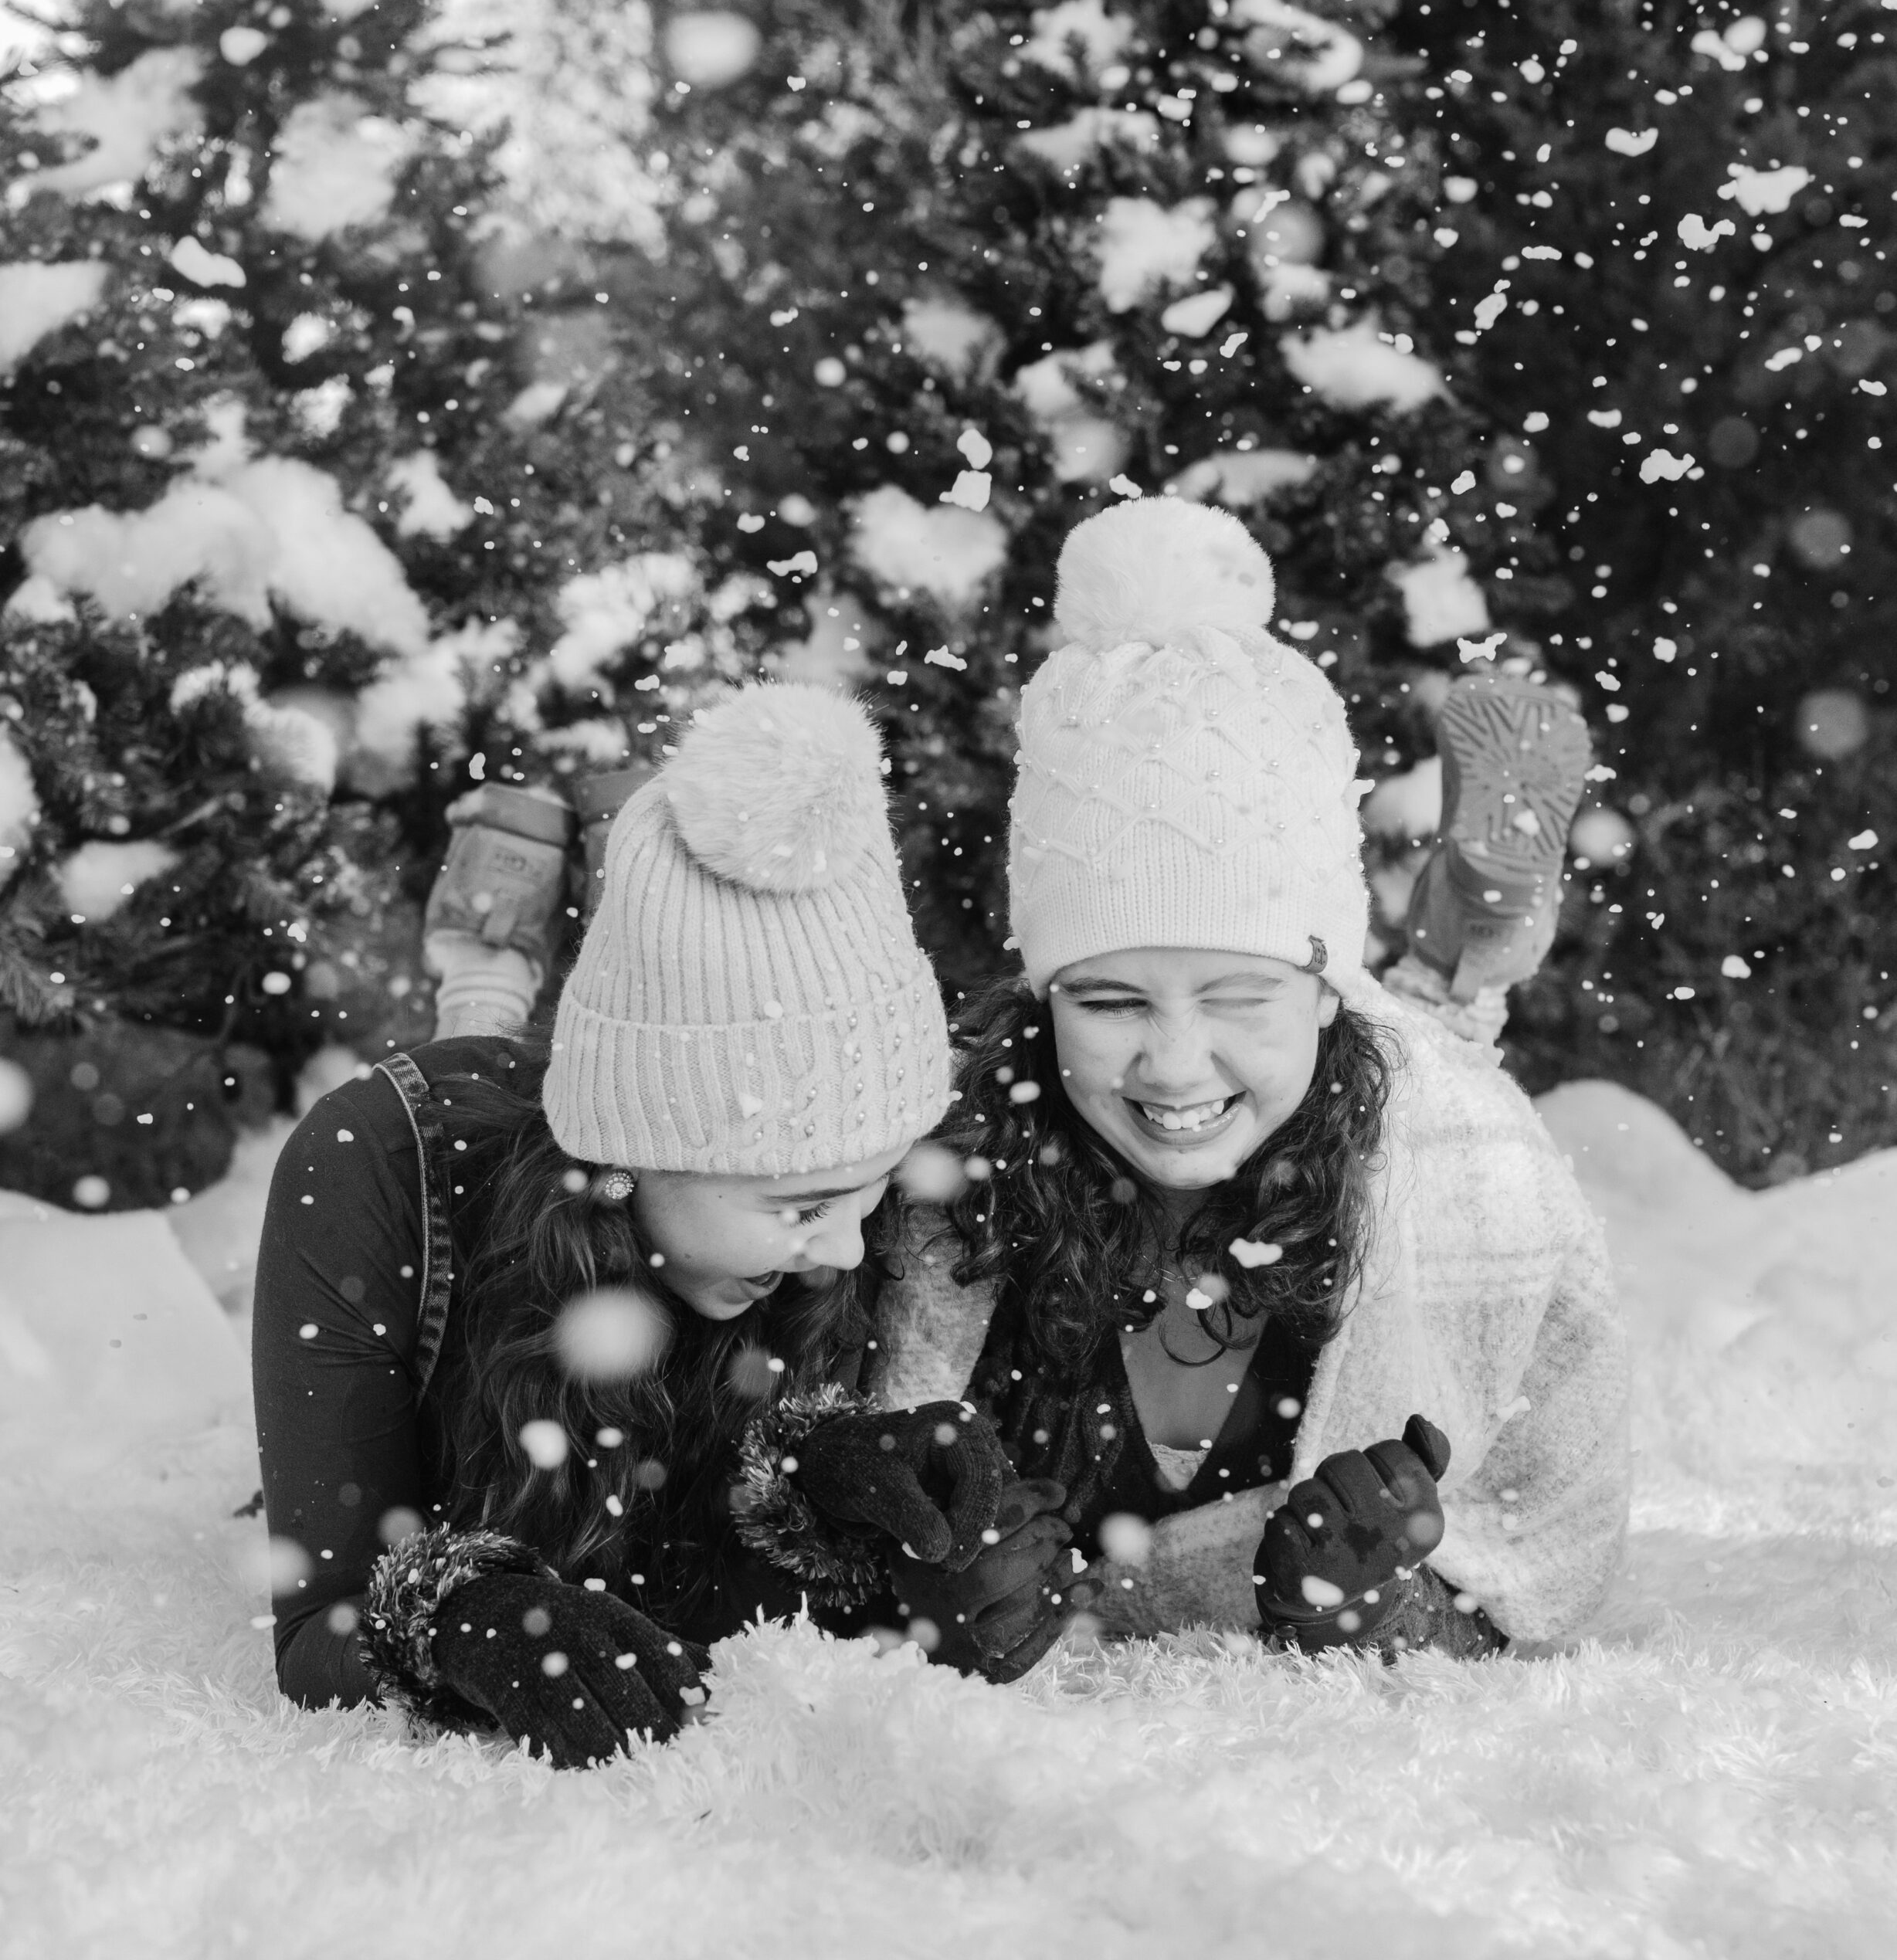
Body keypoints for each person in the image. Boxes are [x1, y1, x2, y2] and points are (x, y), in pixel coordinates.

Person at [737, 497, 1630, 1672]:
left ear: (1324, 988)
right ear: (1041, 997)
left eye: (1235, 997)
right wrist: (880, 1555)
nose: (1169, 1063)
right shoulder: (920, 1169)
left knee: (1439, 1039)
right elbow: (747, 1447)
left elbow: (1558, 1530)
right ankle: (1451, 951)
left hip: (1380, 1063)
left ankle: (1474, 936)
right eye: (1108, 1003)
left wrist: (1402, 1612)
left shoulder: (1478, 1169)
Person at [250, 681, 1007, 1768]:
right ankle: (489, 970)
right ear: (635, 1151)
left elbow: (703, 1533)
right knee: (478, 1045)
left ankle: (616, 895)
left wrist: (829, 1483)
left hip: (614, 1119)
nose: (846, 1252)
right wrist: (462, 1623)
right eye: (797, 1205)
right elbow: (317, 1620)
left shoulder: (817, 1204)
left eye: (869, 1192)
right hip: (473, 1149)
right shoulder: (366, 1168)